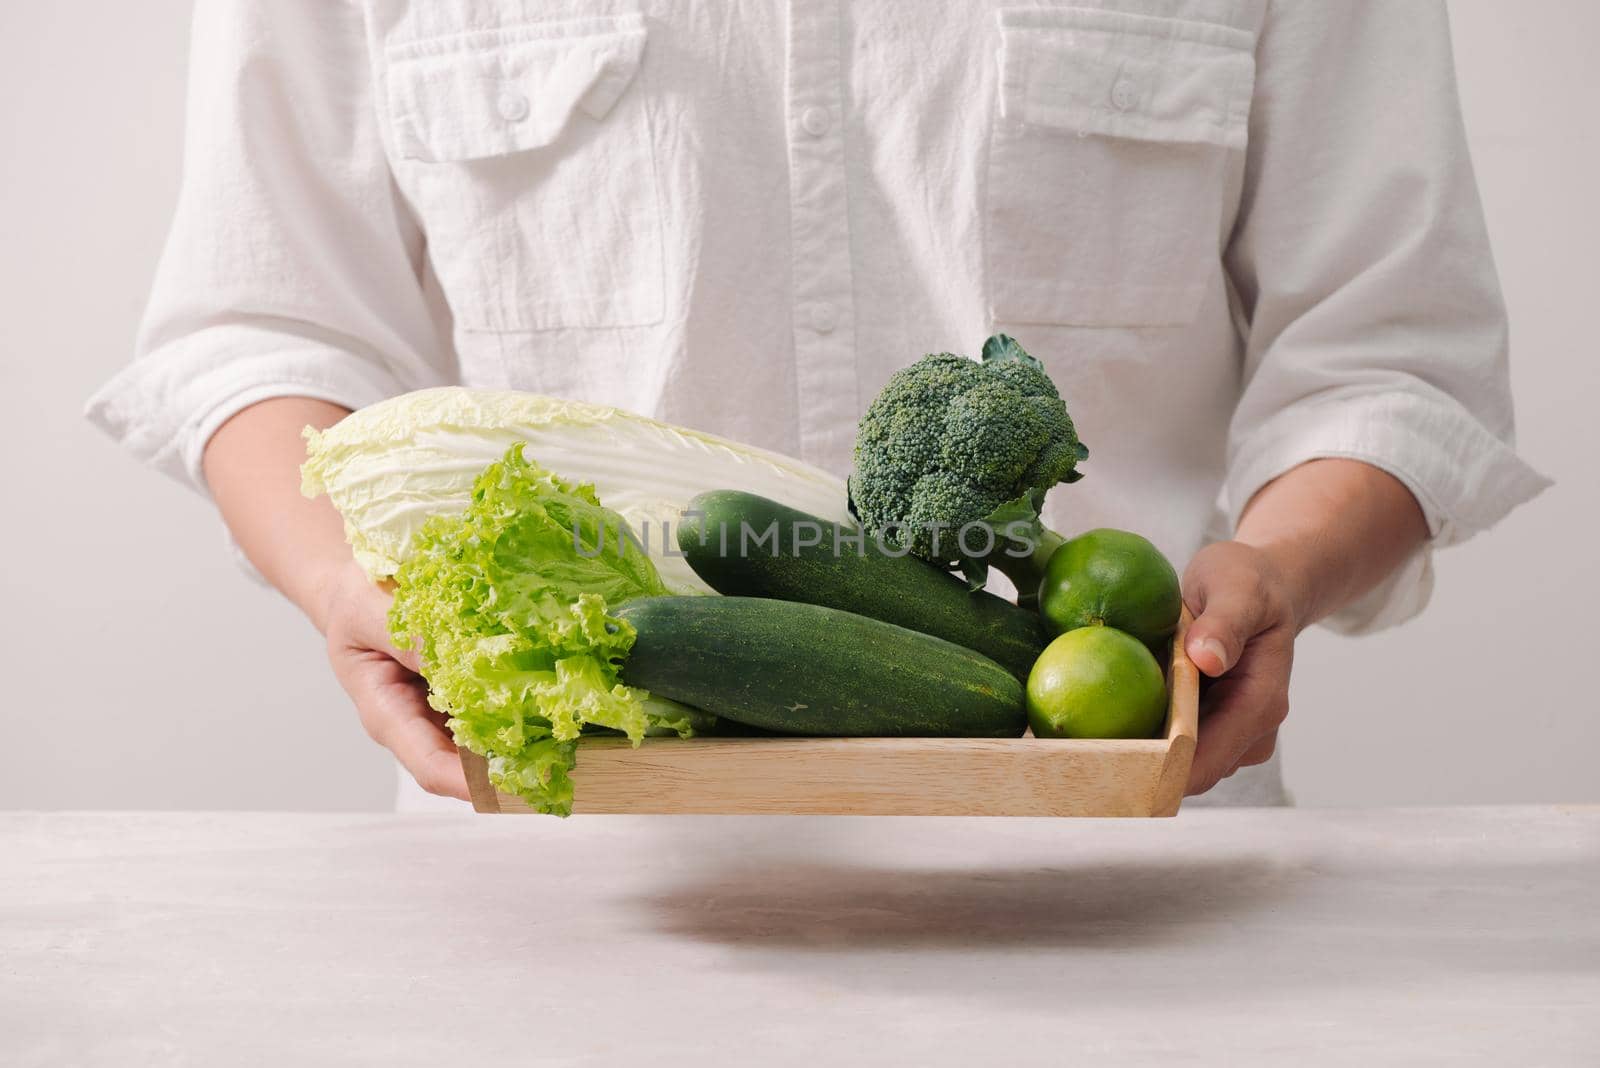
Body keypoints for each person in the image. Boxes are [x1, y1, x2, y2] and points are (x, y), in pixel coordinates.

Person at [87, 1, 1546, 809]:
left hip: (1129, 883)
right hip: (553, 904)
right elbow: (263, 324)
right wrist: (352, 582)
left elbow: (1389, 356)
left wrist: (1279, 570)